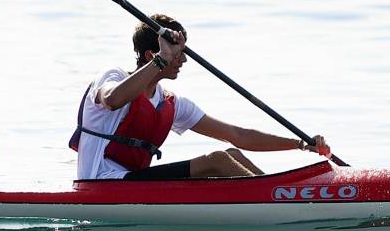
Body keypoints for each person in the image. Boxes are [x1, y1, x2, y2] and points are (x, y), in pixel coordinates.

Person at [70, 14, 330, 180]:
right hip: (99, 182)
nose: (182, 59)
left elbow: (238, 135)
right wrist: (163, 59)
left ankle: (281, 195)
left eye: (183, 52)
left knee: (231, 153)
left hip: (131, 184)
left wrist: (299, 144)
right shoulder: (112, 76)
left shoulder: (170, 103)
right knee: (216, 161)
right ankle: (279, 200)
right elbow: (112, 100)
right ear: (153, 55)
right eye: (177, 53)